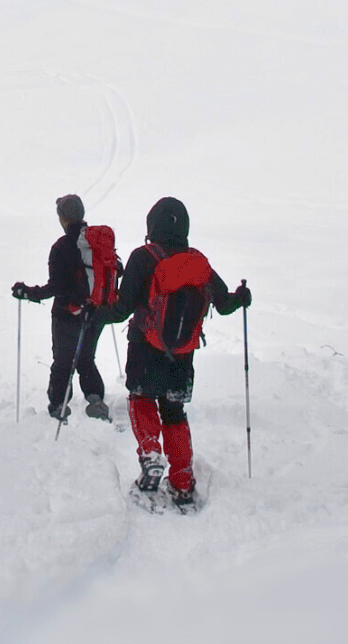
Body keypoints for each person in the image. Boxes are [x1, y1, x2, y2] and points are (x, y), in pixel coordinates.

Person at [90, 195, 249, 509]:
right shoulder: (198, 262)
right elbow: (225, 303)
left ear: (152, 225)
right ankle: (183, 481)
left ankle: (150, 455)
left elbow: (121, 310)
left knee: (142, 399)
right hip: (183, 356)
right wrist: (241, 297)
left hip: (145, 348)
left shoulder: (143, 257)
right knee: (175, 413)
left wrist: (95, 313)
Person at [11, 192, 110, 422]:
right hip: (96, 313)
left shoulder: (61, 247)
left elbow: (55, 287)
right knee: (87, 359)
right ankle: (96, 403)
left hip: (67, 316)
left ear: (63, 218)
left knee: (63, 362)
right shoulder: (98, 242)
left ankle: (58, 408)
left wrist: (27, 293)